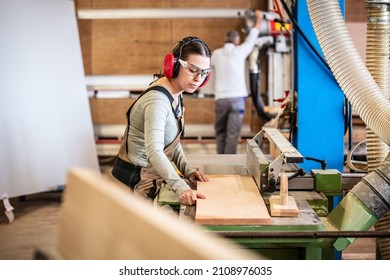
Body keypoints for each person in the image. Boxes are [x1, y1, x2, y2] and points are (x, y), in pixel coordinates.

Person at [111, 36, 211, 206]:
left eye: (204, 72)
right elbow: (155, 151)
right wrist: (181, 188)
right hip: (136, 181)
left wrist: (187, 170)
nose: (198, 78)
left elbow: (170, 141)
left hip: (149, 175)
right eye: (193, 70)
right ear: (174, 65)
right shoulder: (157, 102)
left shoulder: (176, 93)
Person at [211, 10, 264, 154]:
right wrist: (259, 18)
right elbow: (253, 35)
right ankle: (229, 163)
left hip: (221, 100)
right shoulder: (240, 51)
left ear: (225, 40)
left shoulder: (215, 54)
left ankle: (220, 161)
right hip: (236, 101)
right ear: (237, 41)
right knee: (233, 134)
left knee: (220, 132)